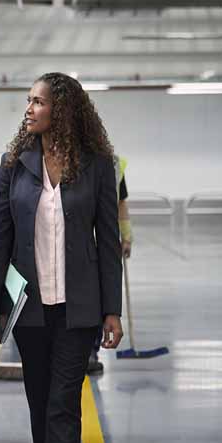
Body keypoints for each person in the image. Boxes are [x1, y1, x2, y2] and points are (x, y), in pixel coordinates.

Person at [0, 72, 124, 443]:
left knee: (64, 404)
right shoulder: (14, 164)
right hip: (30, 308)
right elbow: (0, 236)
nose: (29, 108)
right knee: (40, 405)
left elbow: (107, 242)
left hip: (79, 307)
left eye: (38, 101)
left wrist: (112, 310)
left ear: (61, 109)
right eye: (28, 101)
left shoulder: (98, 165)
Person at [87, 157, 131, 374]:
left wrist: (127, 236)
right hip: (84, 237)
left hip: (105, 237)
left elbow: (121, 203)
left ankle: (92, 350)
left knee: (101, 295)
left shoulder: (113, 164)